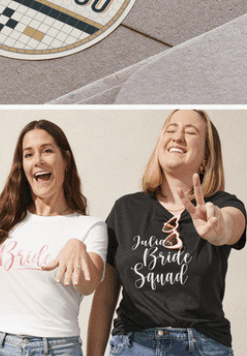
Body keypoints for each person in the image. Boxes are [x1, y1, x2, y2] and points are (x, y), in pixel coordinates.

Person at [87, 110, 246, 356]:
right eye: (171, 130)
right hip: (134, 346)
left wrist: (219, 229)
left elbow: (232, 225)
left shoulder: (221, 204)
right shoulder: (125, 209)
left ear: (206, 157)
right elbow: (105, 298)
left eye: (190, 132)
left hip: (201, 347)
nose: (178, 137)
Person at [0, 120, 106, 356]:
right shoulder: (4, 221)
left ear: (66, 159)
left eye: (47, 151)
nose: (38, 160)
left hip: (59, 349)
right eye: (28, 154)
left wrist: (78, 248)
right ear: (22, 165)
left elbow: (89, 285)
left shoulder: (90, 227)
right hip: (4, 348)